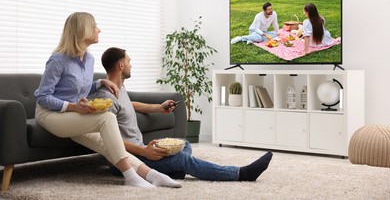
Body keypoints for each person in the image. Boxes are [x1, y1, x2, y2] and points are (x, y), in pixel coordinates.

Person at [34, 12, 181, 189]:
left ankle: (152, 175)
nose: (99, 29)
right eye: (95, 26)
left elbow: (77, 88)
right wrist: (73, 106)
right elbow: (43, 97)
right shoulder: (58, 60)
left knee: (106, 143)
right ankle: (130, 176)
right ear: (83, 29)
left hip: (71, 117)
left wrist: (100, 83)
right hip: (50, 115)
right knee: (107, 117)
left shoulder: (88, 59)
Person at [94, 46, 273, 182]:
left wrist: (159, 107)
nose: (131, 65)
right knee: (183, 160)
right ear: (121, 65)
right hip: (126, 161)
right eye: (129, 61)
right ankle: (241, 174)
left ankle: (173, 170)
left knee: (183, 144)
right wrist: (144, 151)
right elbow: (109, 139)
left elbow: (129, 105)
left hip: (141, 151)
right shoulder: (105, 96)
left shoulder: (119, 89)